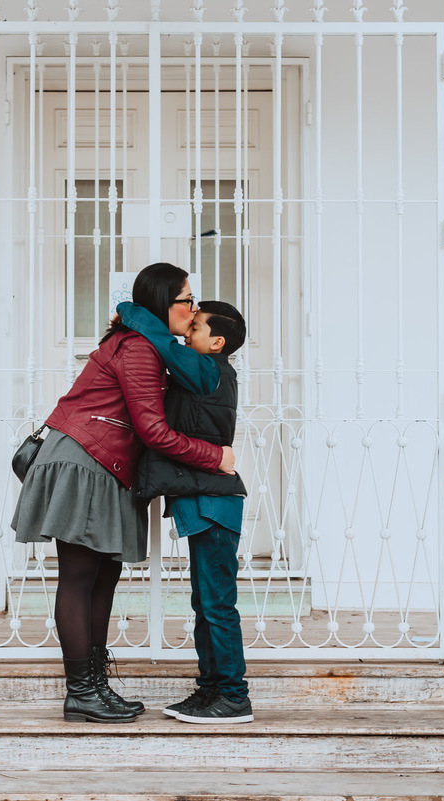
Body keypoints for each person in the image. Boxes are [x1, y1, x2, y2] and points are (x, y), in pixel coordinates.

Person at [11, 262, 235, 724]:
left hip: (108, 466)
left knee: (102, 577)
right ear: (163, 302)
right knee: (78, 577)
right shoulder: (137, 348)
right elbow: (152, 430)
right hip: (85, 460)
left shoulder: (150, 345)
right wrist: (216, 458)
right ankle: (81, 691)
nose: (192, 309)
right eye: (186, 300)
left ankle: (95, 686)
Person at [117, 298, 253, 724]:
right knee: (205, 602)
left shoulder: (210, 370)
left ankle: (234, 696)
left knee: (217, 605)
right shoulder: (203, 373)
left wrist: (132, 309)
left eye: (194, 329)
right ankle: (210, 689)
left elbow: (162, 343)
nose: (184, 333)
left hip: (215, 504)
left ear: (216, 343)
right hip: (206, 499)